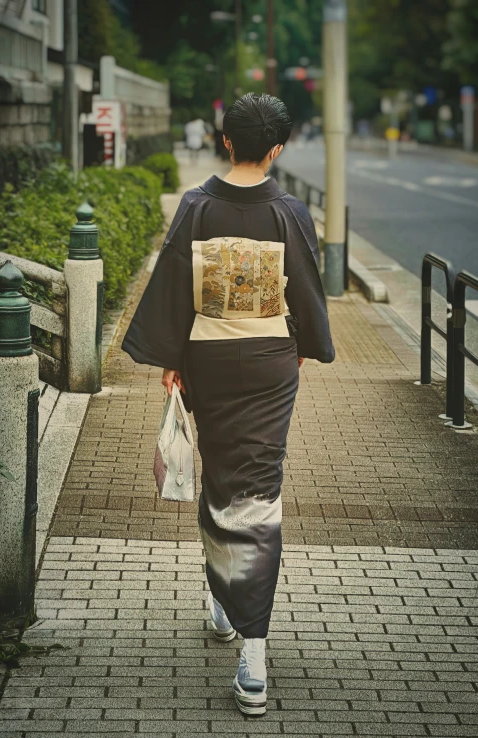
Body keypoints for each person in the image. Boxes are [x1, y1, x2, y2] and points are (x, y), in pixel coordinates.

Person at [122, 93, 335, 716]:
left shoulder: (197, 205)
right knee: (257, 489)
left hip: (206, 358)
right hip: (271, 361)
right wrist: (306, 344)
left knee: (222, 483)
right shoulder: (290, 212)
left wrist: (169, 358)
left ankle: (243, 631)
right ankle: (246, 642)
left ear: (225, 140)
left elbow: (171, 287)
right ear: (276, 148)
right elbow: (308, 287)